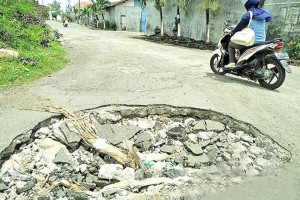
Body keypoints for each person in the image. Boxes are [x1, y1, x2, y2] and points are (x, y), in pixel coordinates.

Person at [225, 0, 272, 69]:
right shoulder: (262, 12)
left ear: (248, 6)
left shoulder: (249, 14)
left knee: (231, 44)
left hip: (252, 41)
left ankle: (231, 63)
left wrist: (232, 31)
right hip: (262, 40)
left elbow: (239, 27)